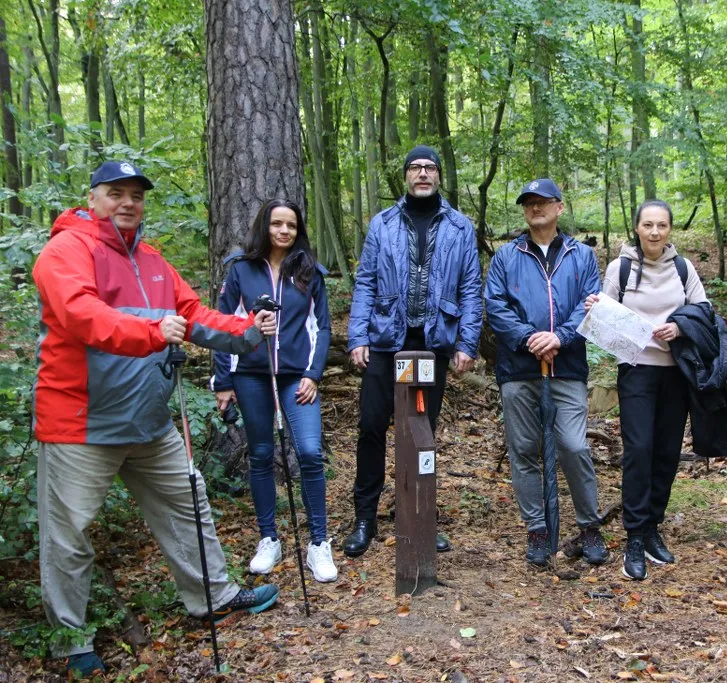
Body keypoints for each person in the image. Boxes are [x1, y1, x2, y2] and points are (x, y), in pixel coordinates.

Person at [32, 161, 281, 677]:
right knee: (68, 534)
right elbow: (80, 314)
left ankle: (214, 596)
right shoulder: (67, 250)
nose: (127, 203)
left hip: (149, 420)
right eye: (115, 193)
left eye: (136, 195)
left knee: (187, 503)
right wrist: (150, 330)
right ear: (93, 198)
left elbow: (192, 316)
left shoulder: (152, 261)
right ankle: (72, 641)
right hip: (81, 422)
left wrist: (246, 330)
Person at [345, 145, 482, 557]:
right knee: (372, 425)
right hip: (386, 339)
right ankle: (365, 517)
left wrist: (467, 342)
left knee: (422, 432)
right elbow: (366, 281)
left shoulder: (460, 227)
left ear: (439, 175)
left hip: (433, 342)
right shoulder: (383, 223)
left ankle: (418, 515)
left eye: (430, 167)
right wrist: (357, 336)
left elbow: (470, 287)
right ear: (406, 175)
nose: (423, 173)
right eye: (415, 167)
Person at [484, 178, 609, 568]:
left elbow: (591, 305)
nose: (535, 208)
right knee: (524, 449)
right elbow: (496, 306)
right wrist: (528, 338)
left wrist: (560, 337)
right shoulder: (507, 257)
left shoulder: (581, 255)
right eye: (529, 203)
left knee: (574, 446)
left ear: (559, 207)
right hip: (519, 369)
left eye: (543, 201)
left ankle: (589, 526)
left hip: (567, 367)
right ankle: (537, 529)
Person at [583, 200, 706, 580]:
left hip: (676, 373)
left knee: (667, 452)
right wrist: (594, 308)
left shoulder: (684, 269)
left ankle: (653, 527)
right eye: (648, 225)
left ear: (670, 230)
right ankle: (635, 535)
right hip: (636, 371)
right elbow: (604, 316)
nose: (655, 232)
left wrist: (680, 328)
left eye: (662, 225)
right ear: (637, 228)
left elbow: (704, 312)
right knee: (639, 450)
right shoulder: (620, 268)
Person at [212, 199, 334, 582]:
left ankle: (318, 543)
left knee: (310, 452)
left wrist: (314, 375)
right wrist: (223, 382)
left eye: (291, 225)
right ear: (264, 226)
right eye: (277, 224)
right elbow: (221, 326)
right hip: (251, 374)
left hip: (297, 376)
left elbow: (323, 327)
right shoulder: (240, 270)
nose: (284, 231)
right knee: (262, 453)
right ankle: (269, 538)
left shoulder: (310, 272)